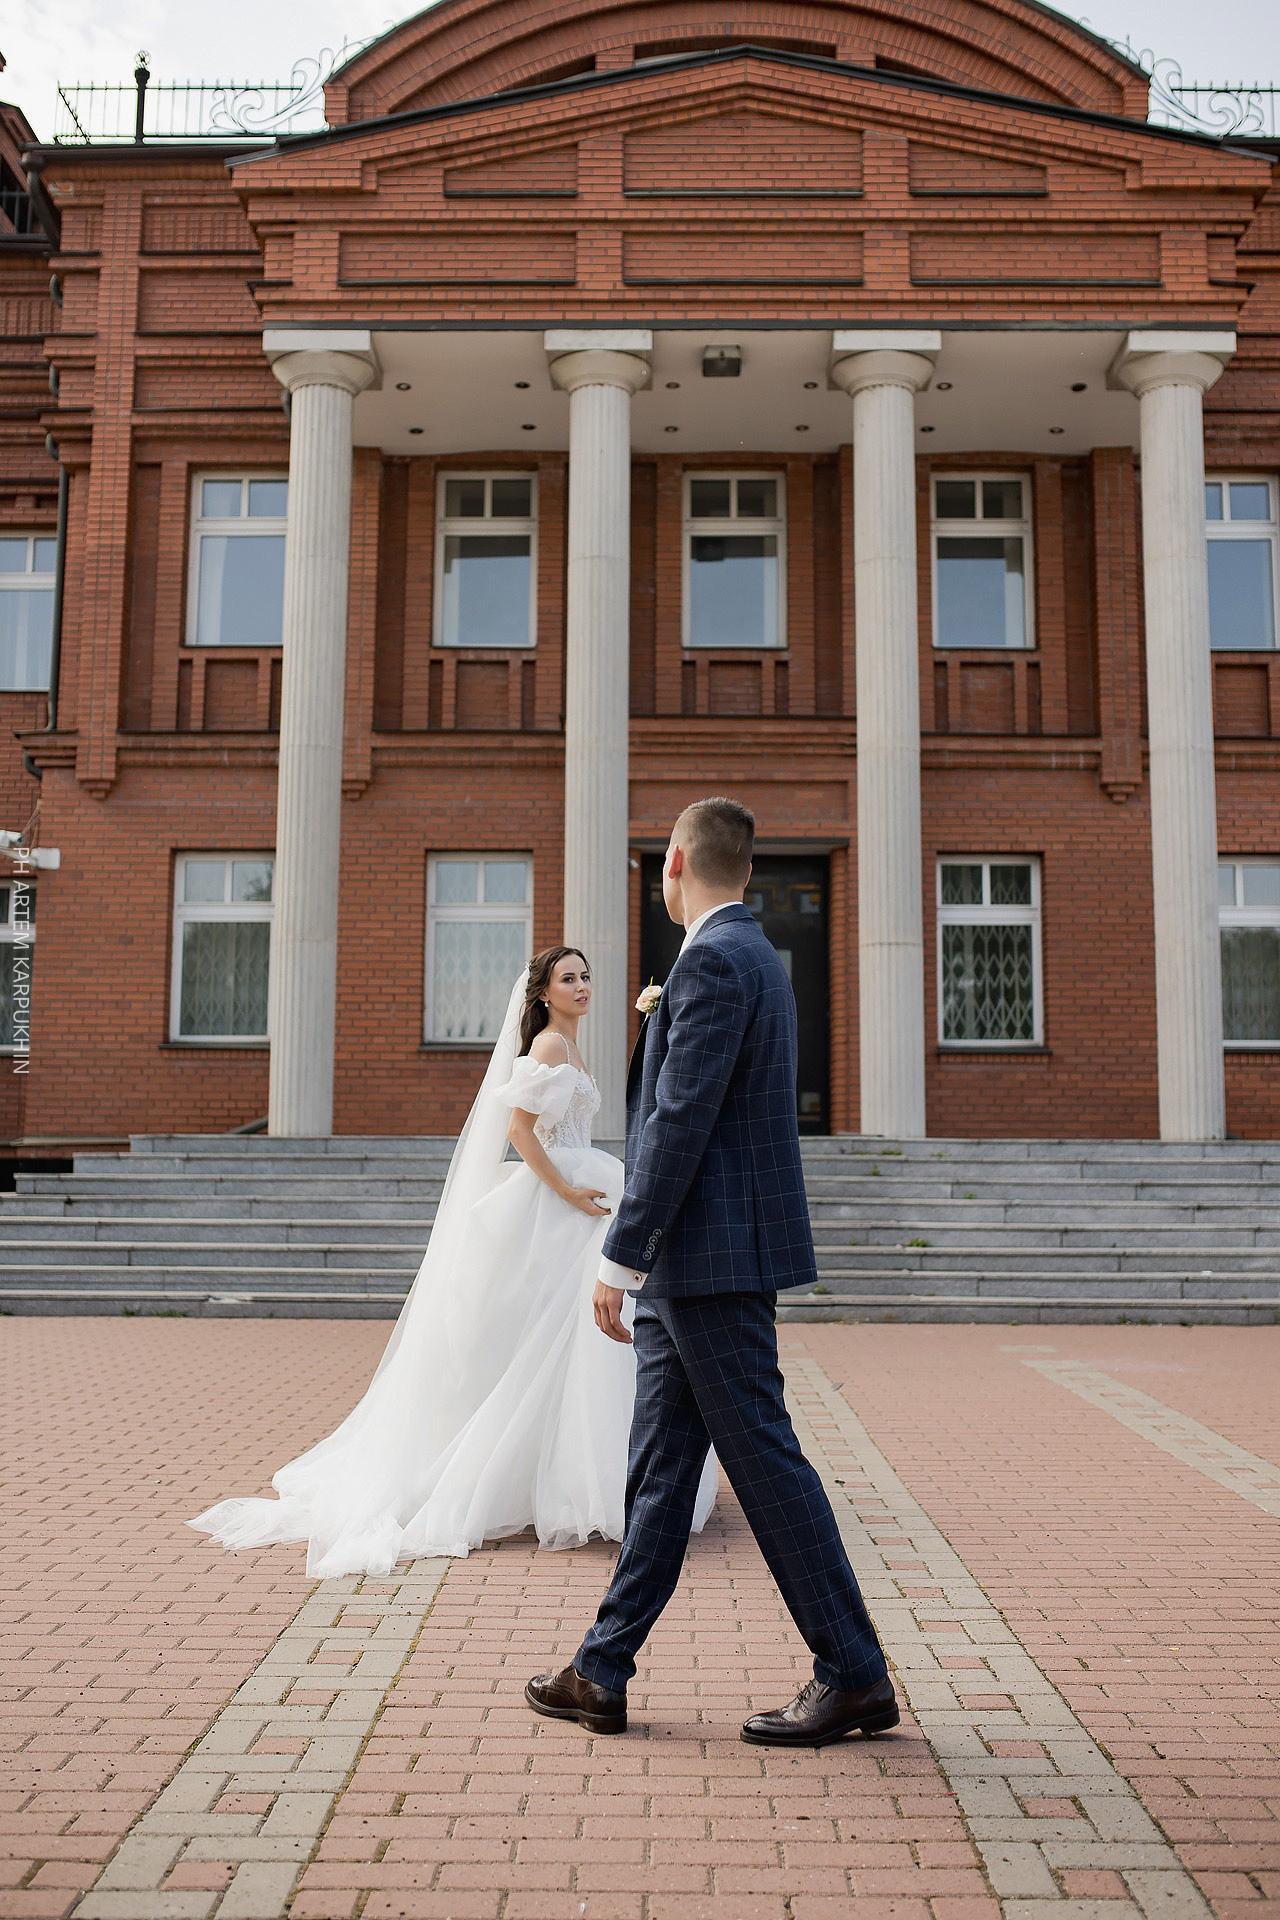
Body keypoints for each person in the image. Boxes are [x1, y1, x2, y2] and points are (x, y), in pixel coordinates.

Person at [525, 798, 898, 1746]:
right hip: (700, 1262)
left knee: (765, 1459)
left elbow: (677, 1127)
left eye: (660, 858)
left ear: (677, 862)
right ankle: (601, 1671)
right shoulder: (747, 955)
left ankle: (854, 1672)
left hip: (710, 1259)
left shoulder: (716, 963)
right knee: (659, 1469)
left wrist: (621, 1257)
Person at [189, 945, 715, 1577]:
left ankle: (589, 1478)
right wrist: (566, 1190)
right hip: (563, 1198)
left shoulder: (571, 1049)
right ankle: (582, 1484)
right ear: (544, 993)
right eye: (568, 979)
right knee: (556, 1338)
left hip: (587, 1188)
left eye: (585, 977)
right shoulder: (549, 1046)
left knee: (580, 1343)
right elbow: (520, 1130)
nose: (582, 986)